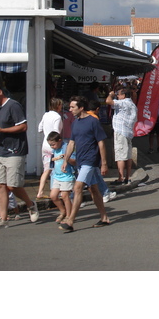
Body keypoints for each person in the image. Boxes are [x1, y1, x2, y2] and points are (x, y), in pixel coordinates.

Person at [0, 84, 40, 229]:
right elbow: (0, 128)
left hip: (15, 150)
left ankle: (30, 204)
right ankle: (3, 219)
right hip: (0, 149)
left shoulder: (13, 105)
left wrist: (1, 129)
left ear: (0, 92)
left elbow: (23, 126)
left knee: (13, 185)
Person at [59, 95, 110, 232]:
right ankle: (104, 217)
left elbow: (101, 142)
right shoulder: (75, 122)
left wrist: (104, 163)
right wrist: (65, 160)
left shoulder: (93, 121)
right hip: (80, 161)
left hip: (90, 160)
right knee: (93, 189)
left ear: (81, 108)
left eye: (72, 107)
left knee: (78, 188)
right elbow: (71, 143)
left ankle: (70, 221)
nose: (70, 110)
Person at [86, 100, 116, 203]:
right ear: (97, 109)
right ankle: (105, 192)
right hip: (91, 150)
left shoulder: (85, 118)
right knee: (94, 173)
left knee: (94, 173)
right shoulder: (94, 119)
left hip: (88, 151)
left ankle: (104, 192)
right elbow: (99, 139)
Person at [106, 88, 138, 185]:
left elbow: (108, 101)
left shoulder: (123, 103)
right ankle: (127, 177)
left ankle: (121, 178)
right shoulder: (132, 104)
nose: (117, 97)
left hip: (121, 131)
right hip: (128, 132)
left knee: (120, 156)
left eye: (118, 95)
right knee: (128, 156)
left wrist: (111, 95)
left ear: (124, 95)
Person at [36, 97, 63, 199]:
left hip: (45, 145)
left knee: (46, 169)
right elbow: (55, 132)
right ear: (57, 105)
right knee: (57, 168)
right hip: (54, 145)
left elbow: (40, 128)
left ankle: (40, 191)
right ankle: (57, 190)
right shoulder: (57, 117)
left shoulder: (46, 115)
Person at [47, 131, 76, 224]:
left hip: (67, 176)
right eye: (50, 145)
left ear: (59, 141)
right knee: (53, 196)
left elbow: (75, 161)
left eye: (53, 144)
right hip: (57, 176)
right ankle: (62, 211)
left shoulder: (67, 148)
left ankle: (69, 215)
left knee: (65, 196)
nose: (52, 147)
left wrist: (66, 158)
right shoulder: (54, 150)